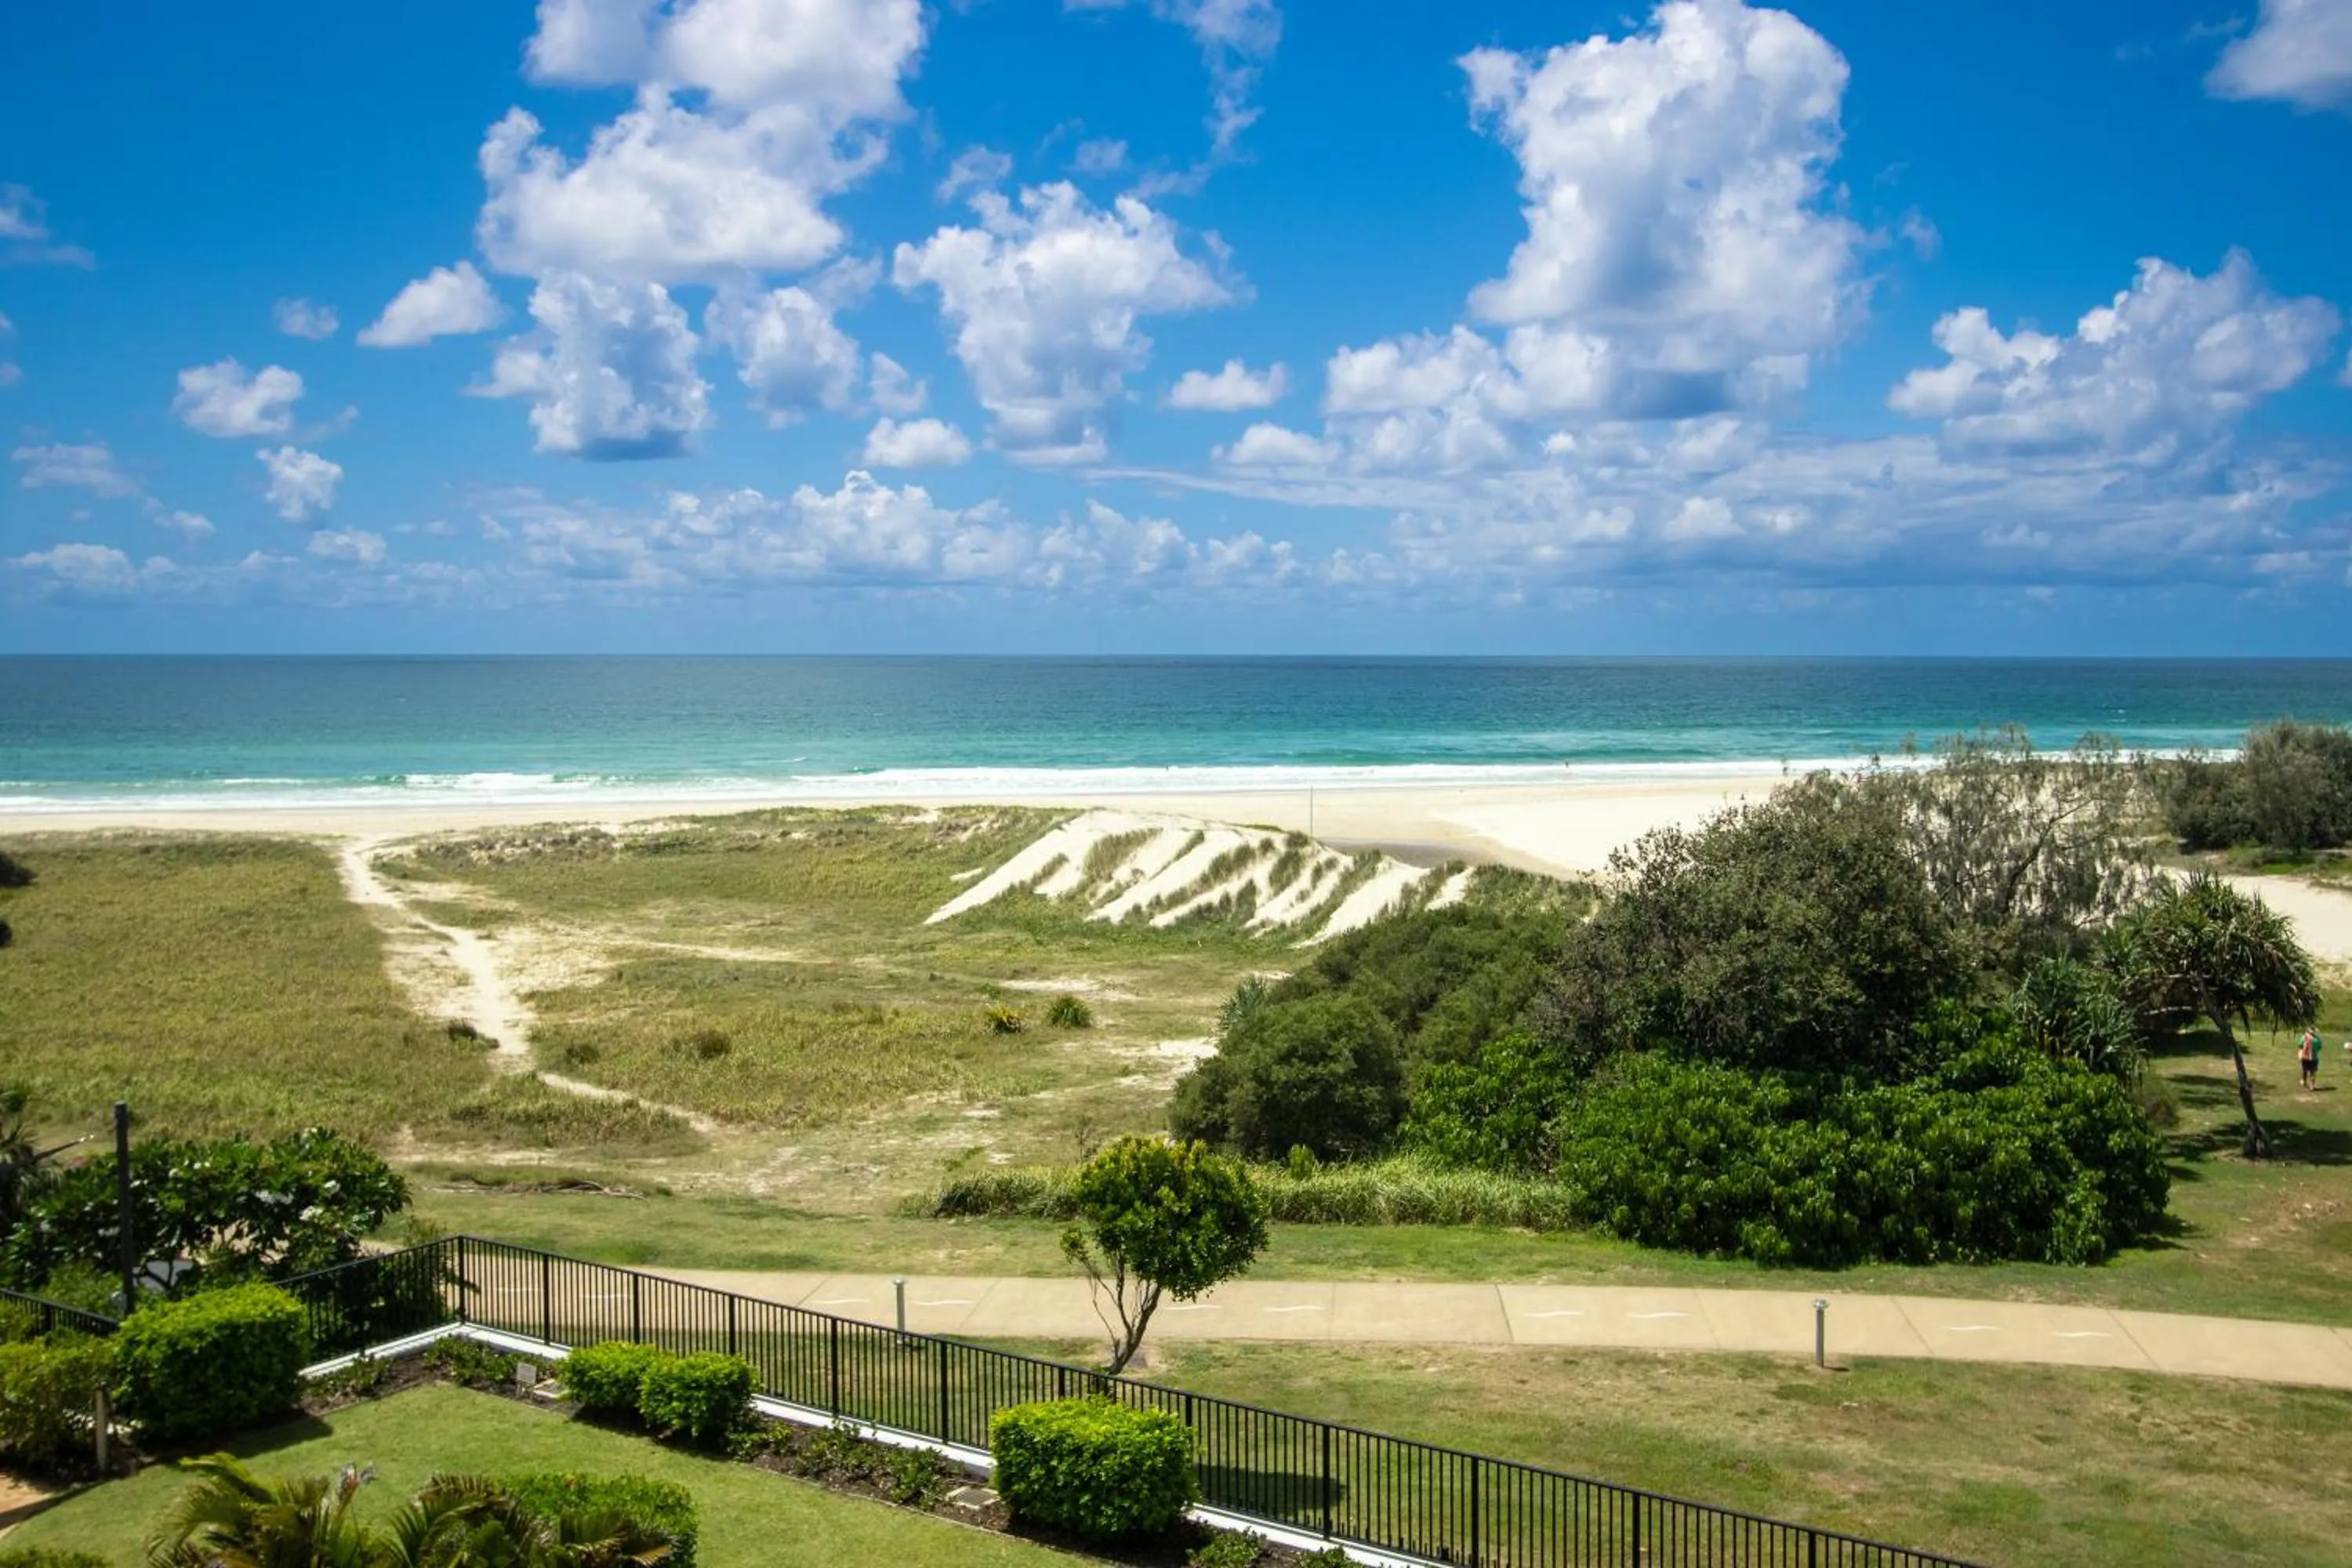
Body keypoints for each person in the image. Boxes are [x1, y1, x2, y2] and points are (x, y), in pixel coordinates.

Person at [2298, 1027, 2320, 1091]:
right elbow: (2319, 1047)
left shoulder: (2304, 1037)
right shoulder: (2317, 1039)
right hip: (2314, 1058)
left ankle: (2304, 1081)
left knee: (2304, 1070)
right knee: (2312, 1072)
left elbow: (2299, 1045)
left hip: (2305, 1057)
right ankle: (2312, 1086)